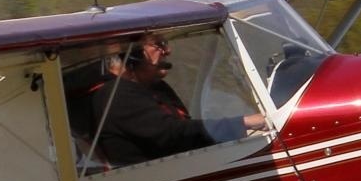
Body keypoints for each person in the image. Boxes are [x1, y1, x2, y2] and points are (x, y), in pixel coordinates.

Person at [89, 36, 263, 166]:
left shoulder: (157, 88)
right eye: (158, 44)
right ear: (133, 53)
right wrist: (243, 123)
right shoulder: (116, 95)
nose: (168, 51)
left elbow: (188, 130)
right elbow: (171, 133)